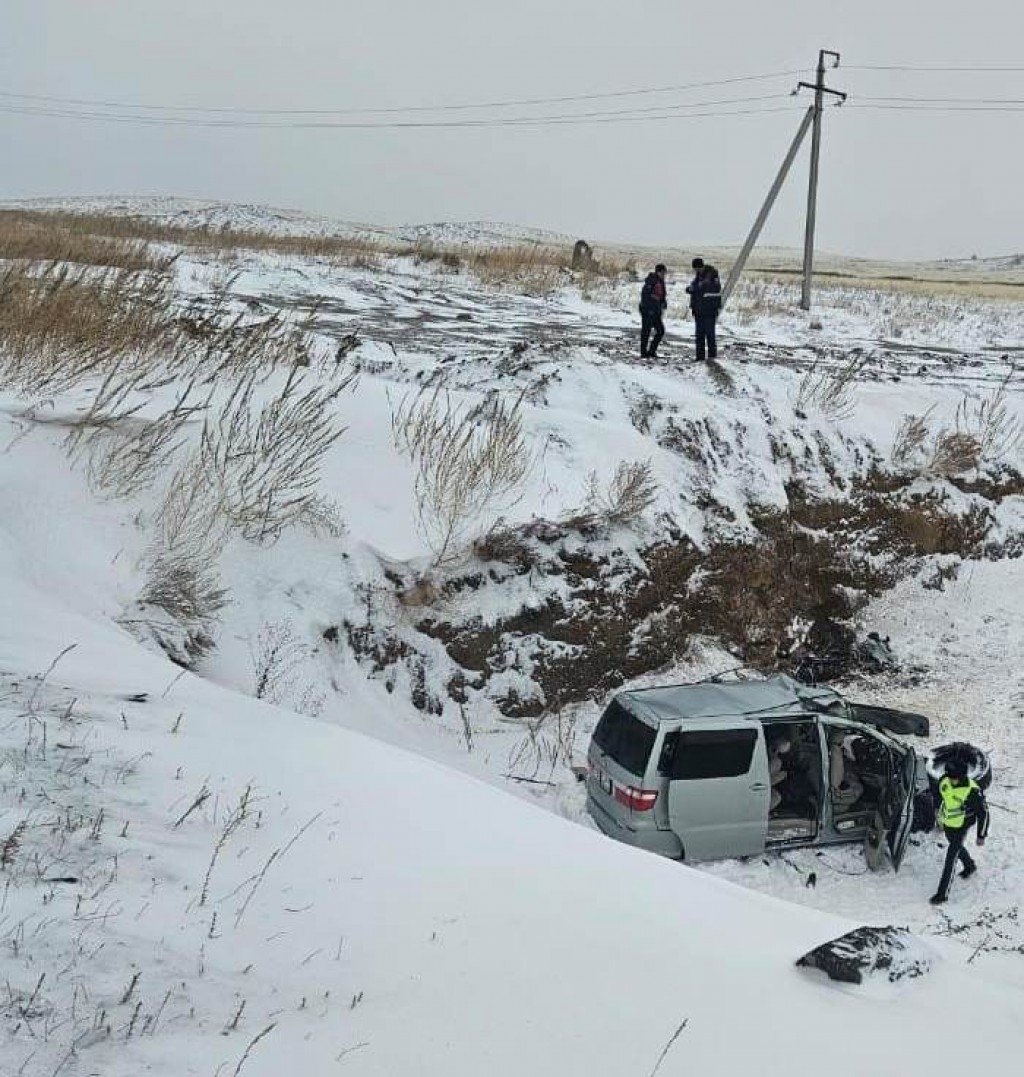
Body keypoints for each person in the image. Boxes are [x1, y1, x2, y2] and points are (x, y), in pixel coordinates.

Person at [930, 759, 990, 905]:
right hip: (949, 823)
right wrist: (937, 809)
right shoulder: (946, 779)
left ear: (962, 777)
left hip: (962, 825)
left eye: (954, 778)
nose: (951, 781)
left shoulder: (972, 791)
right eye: (949, 777)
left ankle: (942, 894)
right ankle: (969, 865)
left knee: (951, 857)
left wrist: (981, 835)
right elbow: (939, 793)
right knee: (954, 846)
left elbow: (984, 814)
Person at [692, 264, 722, 361]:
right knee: (700, 335)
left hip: (709, 311)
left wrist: (698, 288)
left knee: (710, 334)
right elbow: (697, 288)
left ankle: (712, 357)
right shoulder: (698, 277)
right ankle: (700, 357)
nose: (696, 270)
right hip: (699, 310)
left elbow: (714, 289)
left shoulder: (712, 276)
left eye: (697, 268)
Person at [639, 263, 668, 359]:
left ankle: (652, 351)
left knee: (660, 331)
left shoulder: (661, 282)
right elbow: (645, 296)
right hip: (648, 310)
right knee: (646, 332)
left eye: (665, 273)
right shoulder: (651, 281)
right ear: (658, 272)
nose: (664, 275)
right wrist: (649, 308)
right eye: (663, 272)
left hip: (656, 311)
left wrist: (663, 303)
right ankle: (643, 352)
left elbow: (662, 296)